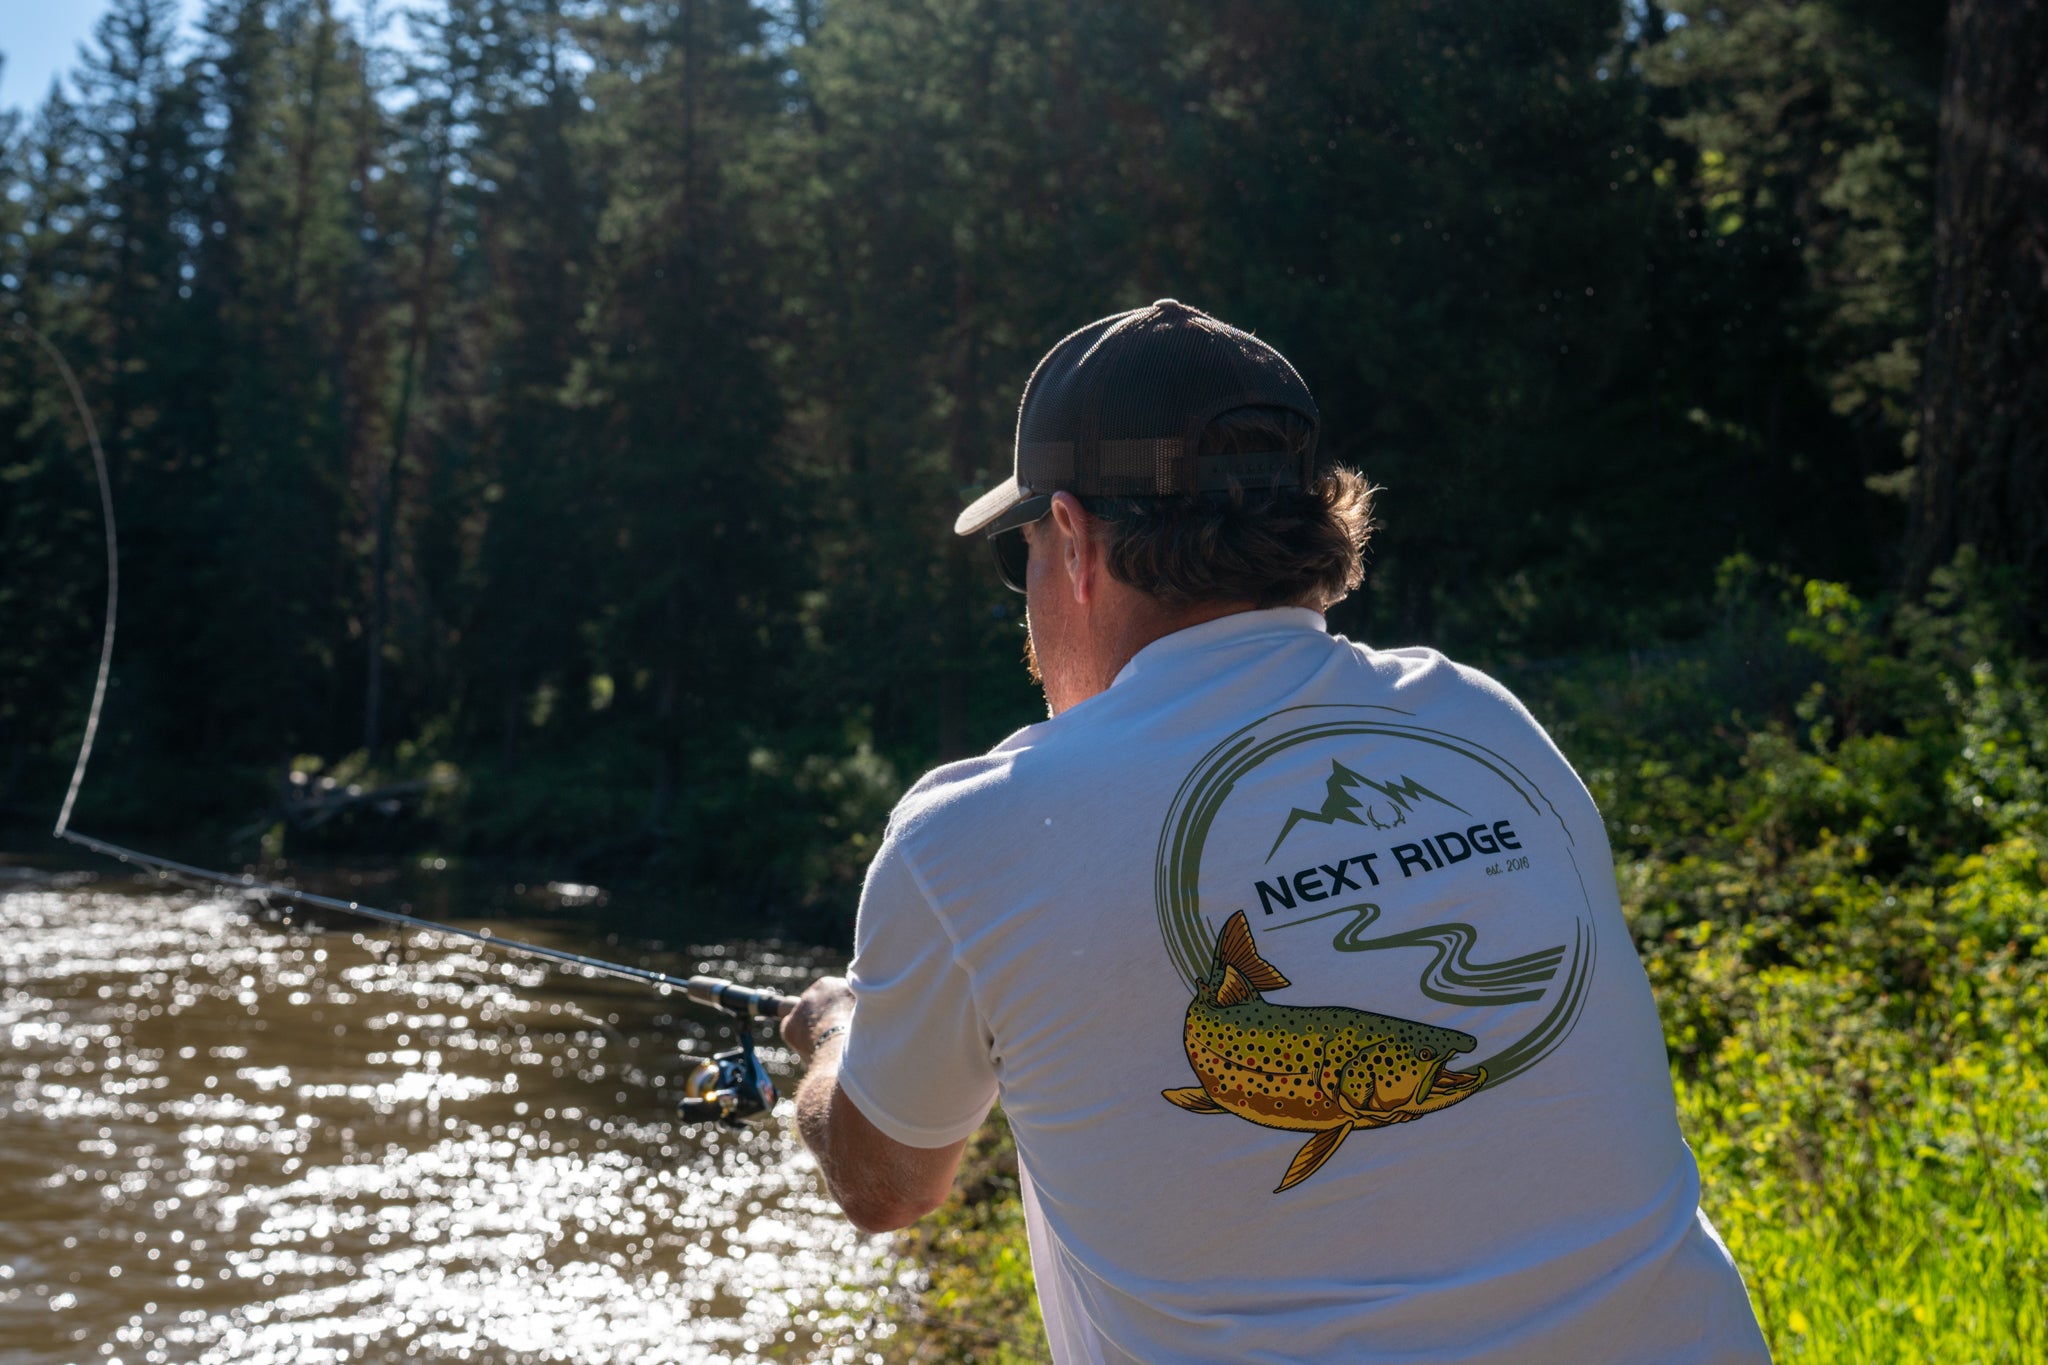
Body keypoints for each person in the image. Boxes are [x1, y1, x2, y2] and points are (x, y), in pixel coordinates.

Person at [781, 299, 1771, 1364]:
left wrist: (833, 1031)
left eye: (1016, 552)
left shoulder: (968, 833)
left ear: (1070, 539)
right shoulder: (1482, 722)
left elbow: (885, 1185)